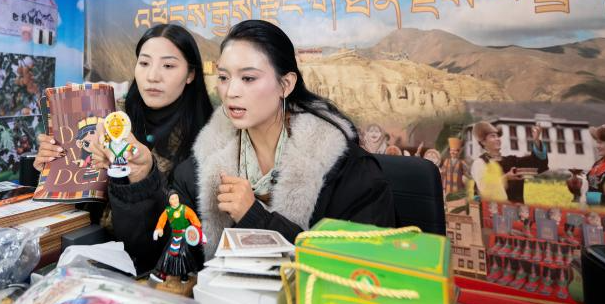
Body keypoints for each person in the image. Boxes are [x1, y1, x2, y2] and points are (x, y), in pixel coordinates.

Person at [108, 20, 395, 268]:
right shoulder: (199, 169)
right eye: (224, 77)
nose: (231, 92)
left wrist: (254, 216)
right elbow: (164, 260)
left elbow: (362, 270)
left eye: (248, 78)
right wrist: (140, 179)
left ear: (286, 84)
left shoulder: (347, 169)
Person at [31, 24, 213, 240]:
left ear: (190, 74)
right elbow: (81, 205)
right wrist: (53, 168)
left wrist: (144, 178)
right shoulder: (111, 118)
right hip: (86, 247)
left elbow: (184, 235)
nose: (153, 76)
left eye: (168, 66)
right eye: (144, 63)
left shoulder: (207, 141)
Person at [470, 121, 548, 203]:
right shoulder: (480, 163)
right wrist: (506, 177)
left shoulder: (512, 161)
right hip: (494, 209)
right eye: (493, 136)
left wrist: (536, 140)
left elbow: (538, 164)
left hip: (517, 210)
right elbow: (484, 191)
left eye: (498, 136)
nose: (497, 139)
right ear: (483, 141)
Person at [151, 190, 204, 283]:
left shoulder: (185, 209)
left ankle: (184, 275)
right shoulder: (168, 211)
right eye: (172, 198)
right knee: (167, 254)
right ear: (169, 201)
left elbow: (194, 219)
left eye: (176, 198)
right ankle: (162, 274)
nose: (175, 200)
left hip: (184, 235)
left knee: (183, 254)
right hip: (174, 235)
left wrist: (198, 230)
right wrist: (158, 229)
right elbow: (161, 220)